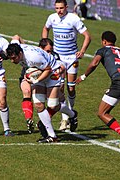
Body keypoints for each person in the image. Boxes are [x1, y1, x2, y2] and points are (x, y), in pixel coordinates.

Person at [6, 38, 78, 143]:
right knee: (39, 105)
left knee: (53, 105)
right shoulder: (16, 48)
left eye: (14, 58)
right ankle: (52, 136)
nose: (12, 61)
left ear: (20, 53)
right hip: (40, 72)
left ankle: (72, 115)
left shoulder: (33, 58)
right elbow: (16, 37)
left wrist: (36, 80)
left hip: (52, 72)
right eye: (10, 58)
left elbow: (48, 69)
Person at [42, 0, 91, 131]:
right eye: (57, 8)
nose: (59, 10)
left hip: (72, 58)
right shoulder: (52, 18)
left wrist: (82, 51)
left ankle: (71, 111)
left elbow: (87, 36)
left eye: (61, 8)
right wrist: (45, 46)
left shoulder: (73, 19)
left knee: (71, 88)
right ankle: (65, 119)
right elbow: (45, 28)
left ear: (66, 7)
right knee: (60, 88)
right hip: (58, 58)